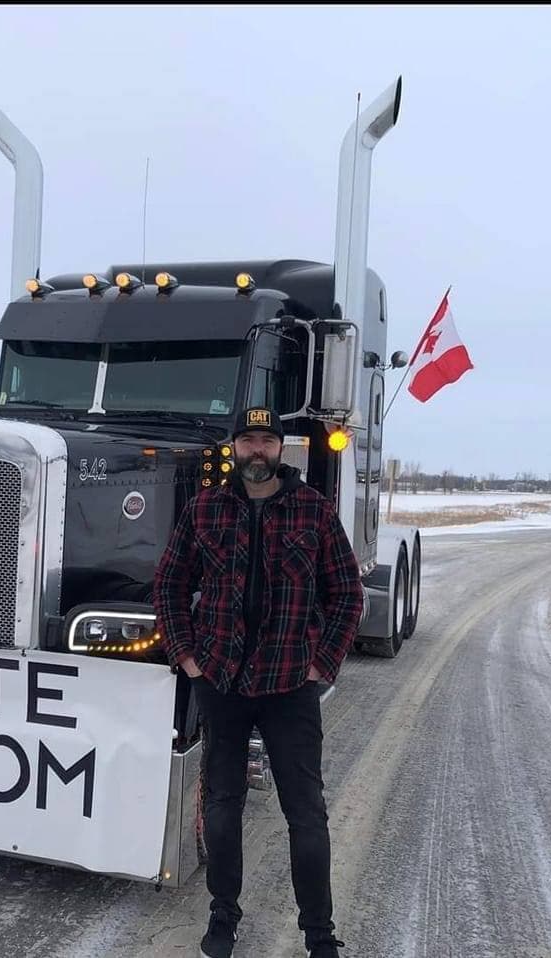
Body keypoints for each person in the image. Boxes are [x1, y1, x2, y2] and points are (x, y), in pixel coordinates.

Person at [153, 406, 364, 958]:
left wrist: (323, 665)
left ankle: (318, 932)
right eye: (247, 440)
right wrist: (187, 657)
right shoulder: (204, 509)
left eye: (267, 441)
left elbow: (346, 595)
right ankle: (223, 917)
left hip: (289, 686)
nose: (256, 450)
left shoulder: (313, 512)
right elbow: (170, 585)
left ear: (280, 449)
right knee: (223, 807)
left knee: (306, 813)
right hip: (219, 681)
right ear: (235, 448)